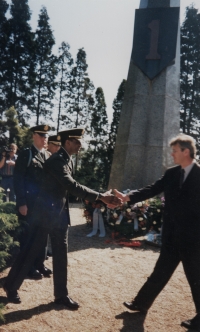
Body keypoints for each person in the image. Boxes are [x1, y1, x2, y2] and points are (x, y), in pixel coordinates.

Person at [3, 128, 121, 309]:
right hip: (43, 214)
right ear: (68, 142)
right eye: (77, 141)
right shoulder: (57, 161)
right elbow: (71, 185)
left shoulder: (67, 159)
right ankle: (10, 286)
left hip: (59, 215)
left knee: (61, 255)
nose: (80, 145)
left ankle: (61, 295)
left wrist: (98, 198)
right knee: (30, 251)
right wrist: (100, 197)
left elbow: (66, 189)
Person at [114, 133, 200, 331]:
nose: (172, 154)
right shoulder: (171, 174)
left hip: (193, 240)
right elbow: (152, 189)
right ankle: (141, 303)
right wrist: (127, 197)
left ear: (186, 152)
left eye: (175, 150)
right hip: (171, 236)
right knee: (160, 272)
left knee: (196, 278)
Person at [13, 125, 52, 280]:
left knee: (40, 236)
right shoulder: (26, 154)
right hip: (28, 204)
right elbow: (18, 179)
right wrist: (21, 202)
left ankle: (38, 264)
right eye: (41, 136)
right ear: (34, 136)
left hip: (42, 204)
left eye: (46, 136)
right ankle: (27, 267)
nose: (44, 139)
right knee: (28, 237)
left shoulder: (46, 155)